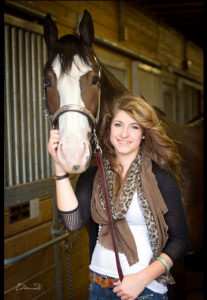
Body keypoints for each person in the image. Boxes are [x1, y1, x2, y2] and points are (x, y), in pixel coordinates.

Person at [48, 93, 189, 300]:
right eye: (118, 125)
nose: (124, 133)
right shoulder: (93, 176)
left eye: (134, 126)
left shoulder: (160, 178)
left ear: (143, 133)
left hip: (144, 291)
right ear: (109, 129)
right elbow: (73, 221)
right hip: (99, 287)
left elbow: (179, 241)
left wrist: (141, 279)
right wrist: (59, 165)